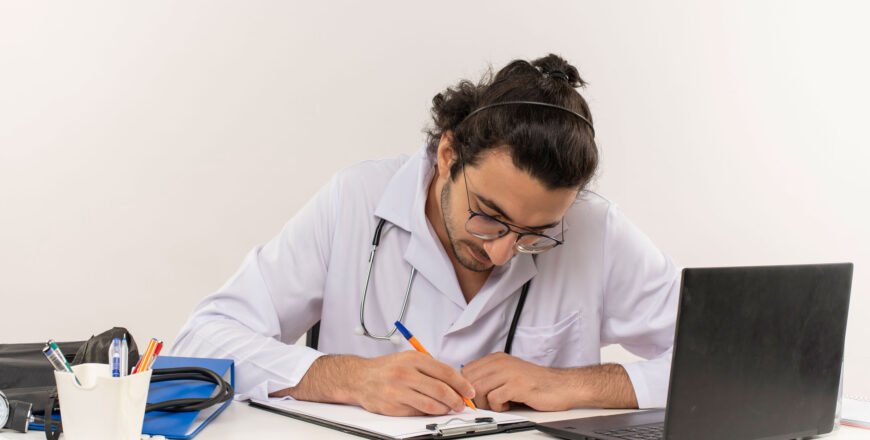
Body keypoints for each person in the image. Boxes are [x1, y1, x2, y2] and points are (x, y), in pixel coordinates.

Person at [172, 54, 679, 416]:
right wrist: (348, 376)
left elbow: (733, 363)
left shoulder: (594, 227)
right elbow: (202, 340)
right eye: (489, 215)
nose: (503, 251)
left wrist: (574, 384)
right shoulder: (355, 199)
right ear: (447, 155)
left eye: (535, 234)